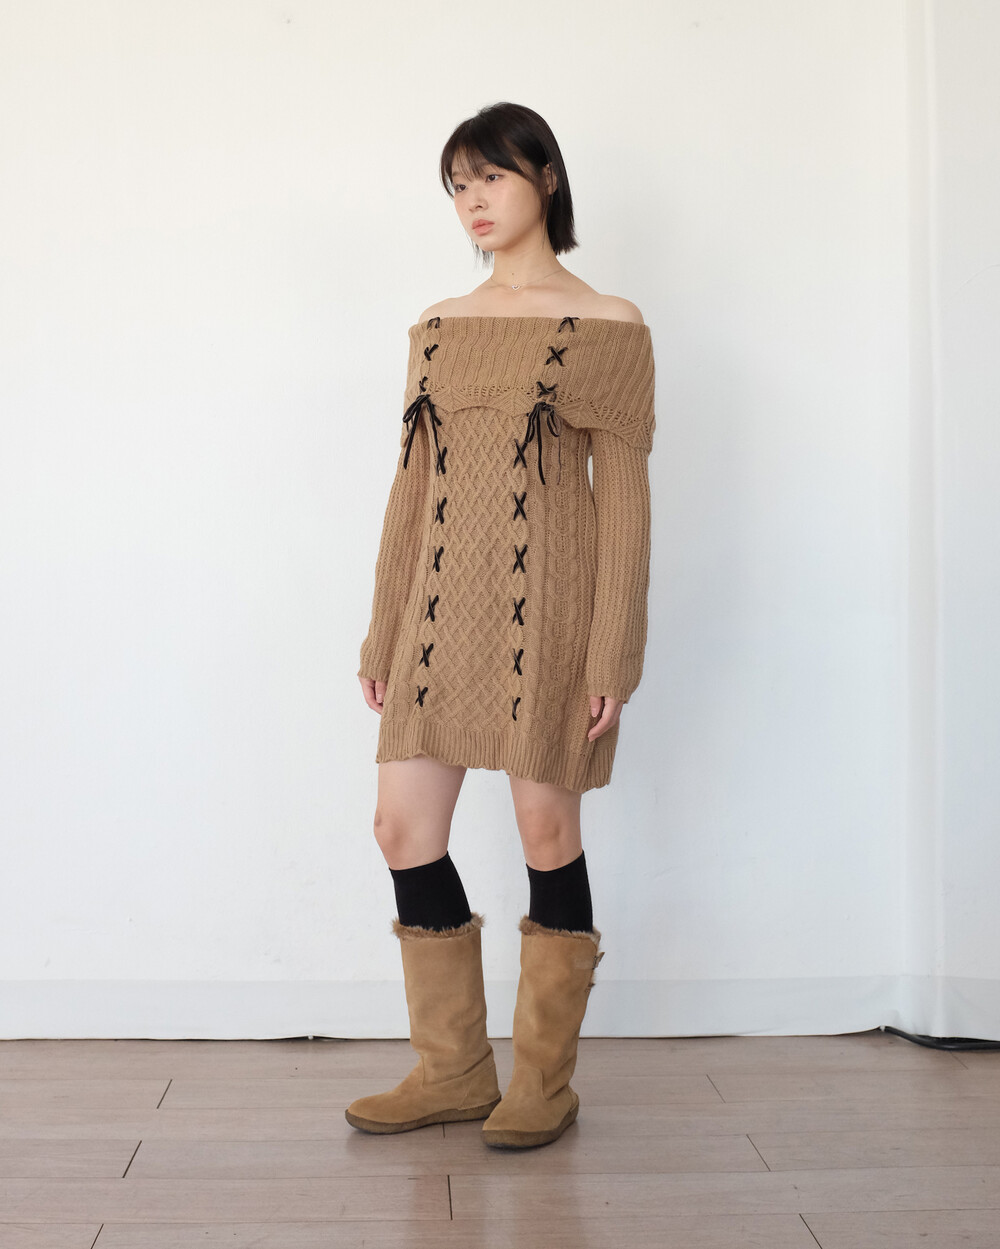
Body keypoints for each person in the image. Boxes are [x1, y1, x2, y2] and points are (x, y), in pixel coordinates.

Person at [347, 101, 656, 1149]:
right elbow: (410, 489)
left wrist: (614, 650)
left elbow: (624, 505)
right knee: (402, 830)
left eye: (490, 177)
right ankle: (452, 1070)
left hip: (552, 620)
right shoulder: (437, 324)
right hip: (434, 617)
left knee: (546, 833)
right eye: (458, 186)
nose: (473, 201)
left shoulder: (608, 322)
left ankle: (544, 1085)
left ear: (546, 179)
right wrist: (382, 630)